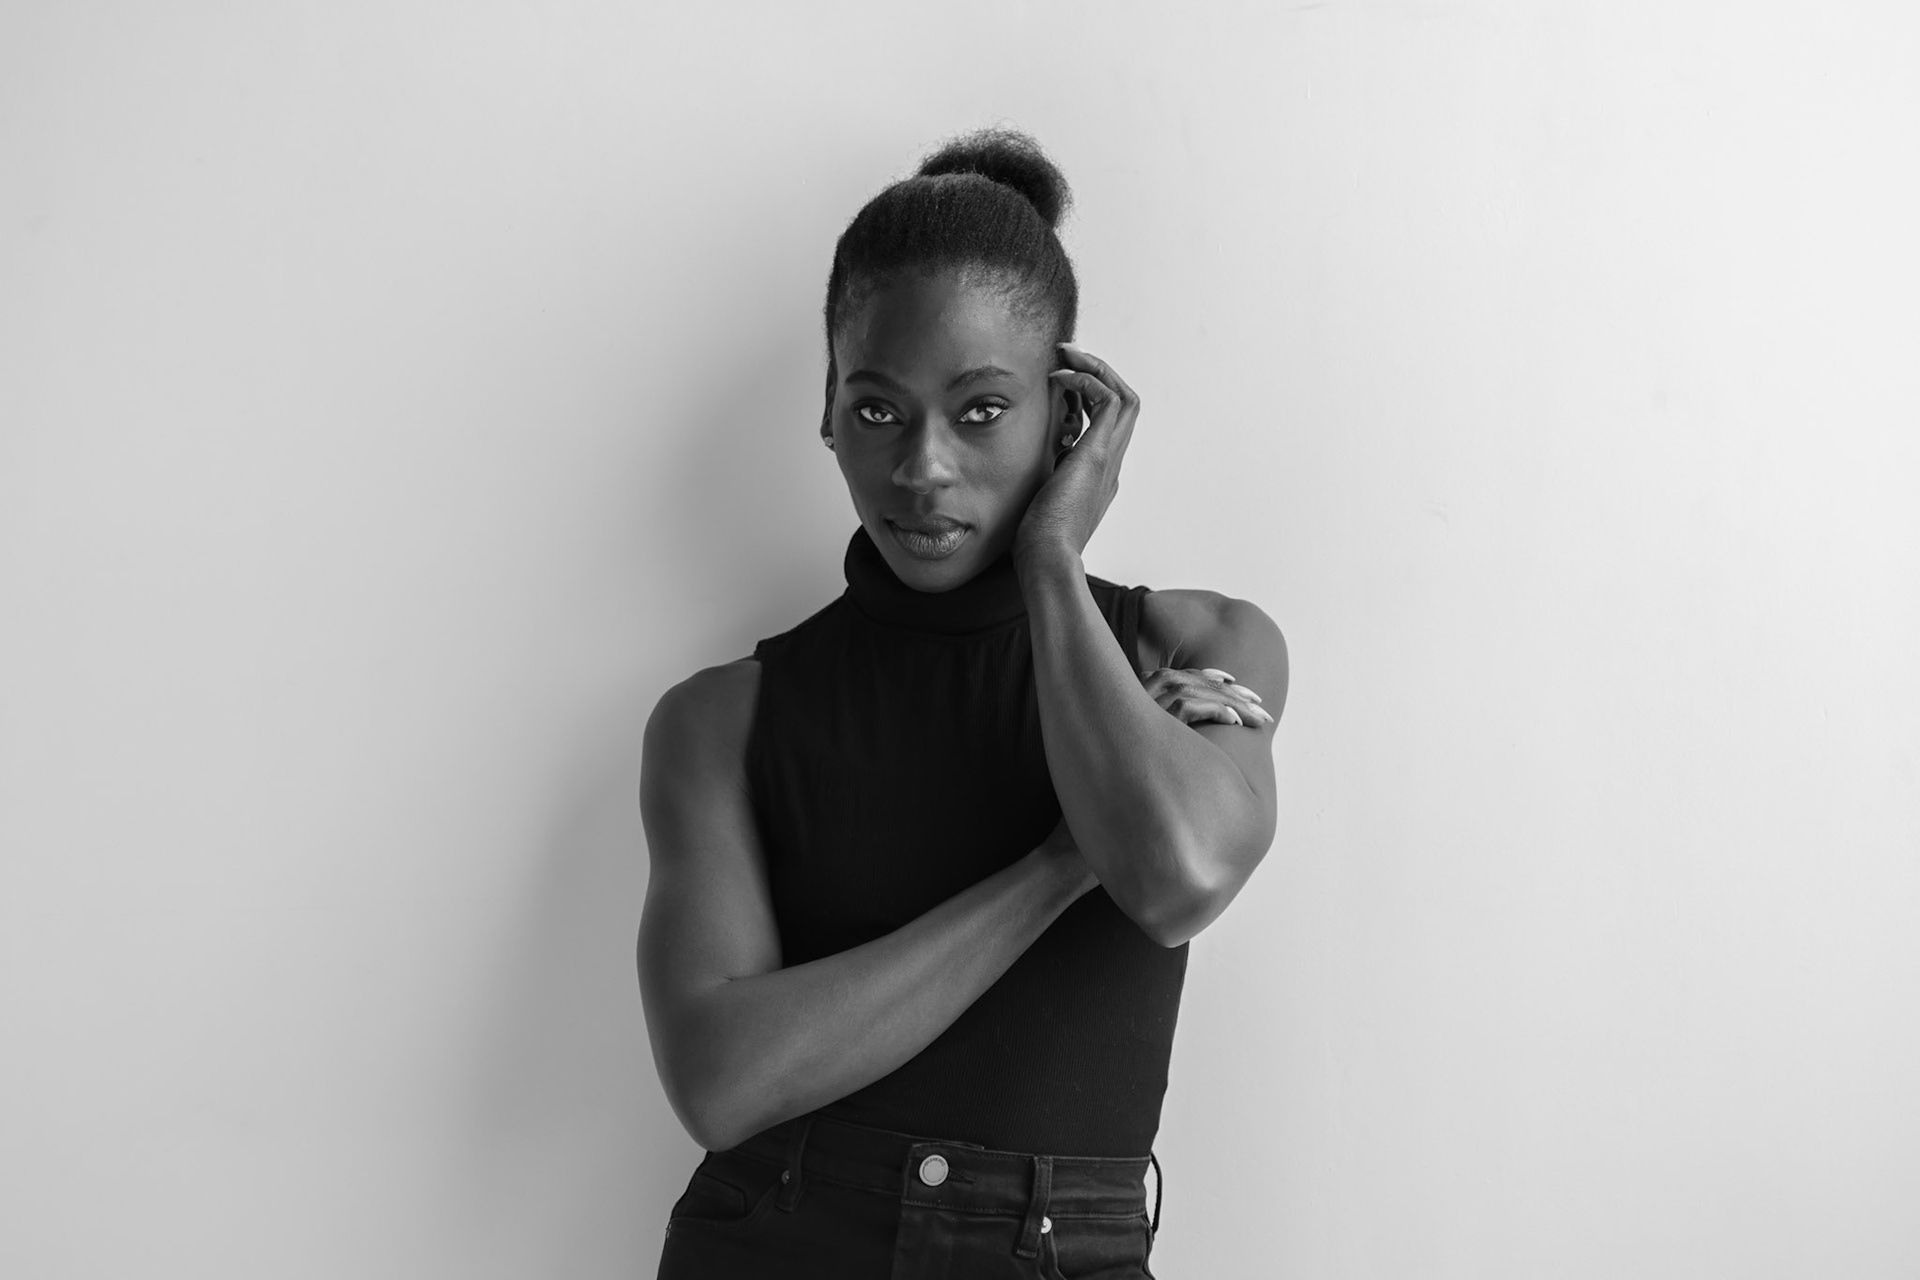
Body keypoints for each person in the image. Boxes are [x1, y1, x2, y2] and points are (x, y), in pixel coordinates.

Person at [637, 127, 1289, 1279]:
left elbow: (1180, 873)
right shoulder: (722, 719)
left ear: (1067, 413)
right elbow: (723, 1080)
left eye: (982, 410)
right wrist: (1057, 865)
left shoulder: (1201, 640)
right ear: (830, 406)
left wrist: (1053, 556)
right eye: (880, 409)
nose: (924, 468)